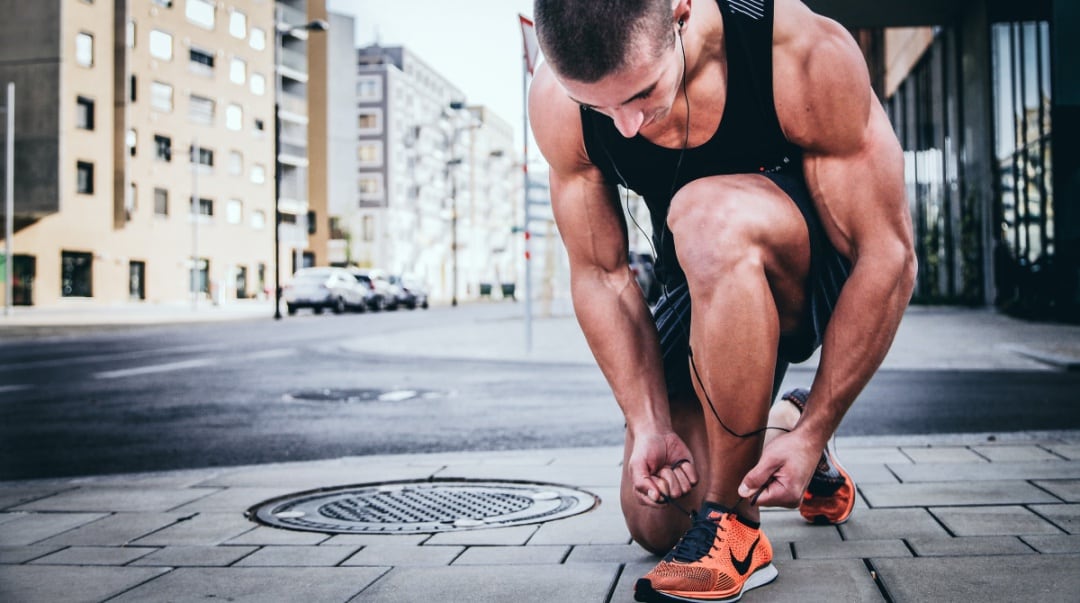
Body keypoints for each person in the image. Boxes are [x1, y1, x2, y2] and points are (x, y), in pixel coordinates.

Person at [528, 0, 916, 601]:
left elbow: (888, 256)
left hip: (808, 270)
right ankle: (776, 420)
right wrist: (648, 420)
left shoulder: (795, 49)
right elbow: (601, 274)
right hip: (699, 278)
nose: (625, 126)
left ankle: (736, 532)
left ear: (680, 10)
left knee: (705, 213)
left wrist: (820, 426)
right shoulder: (558, 100)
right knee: (656, 520)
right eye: (597, 106)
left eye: (641, 93)